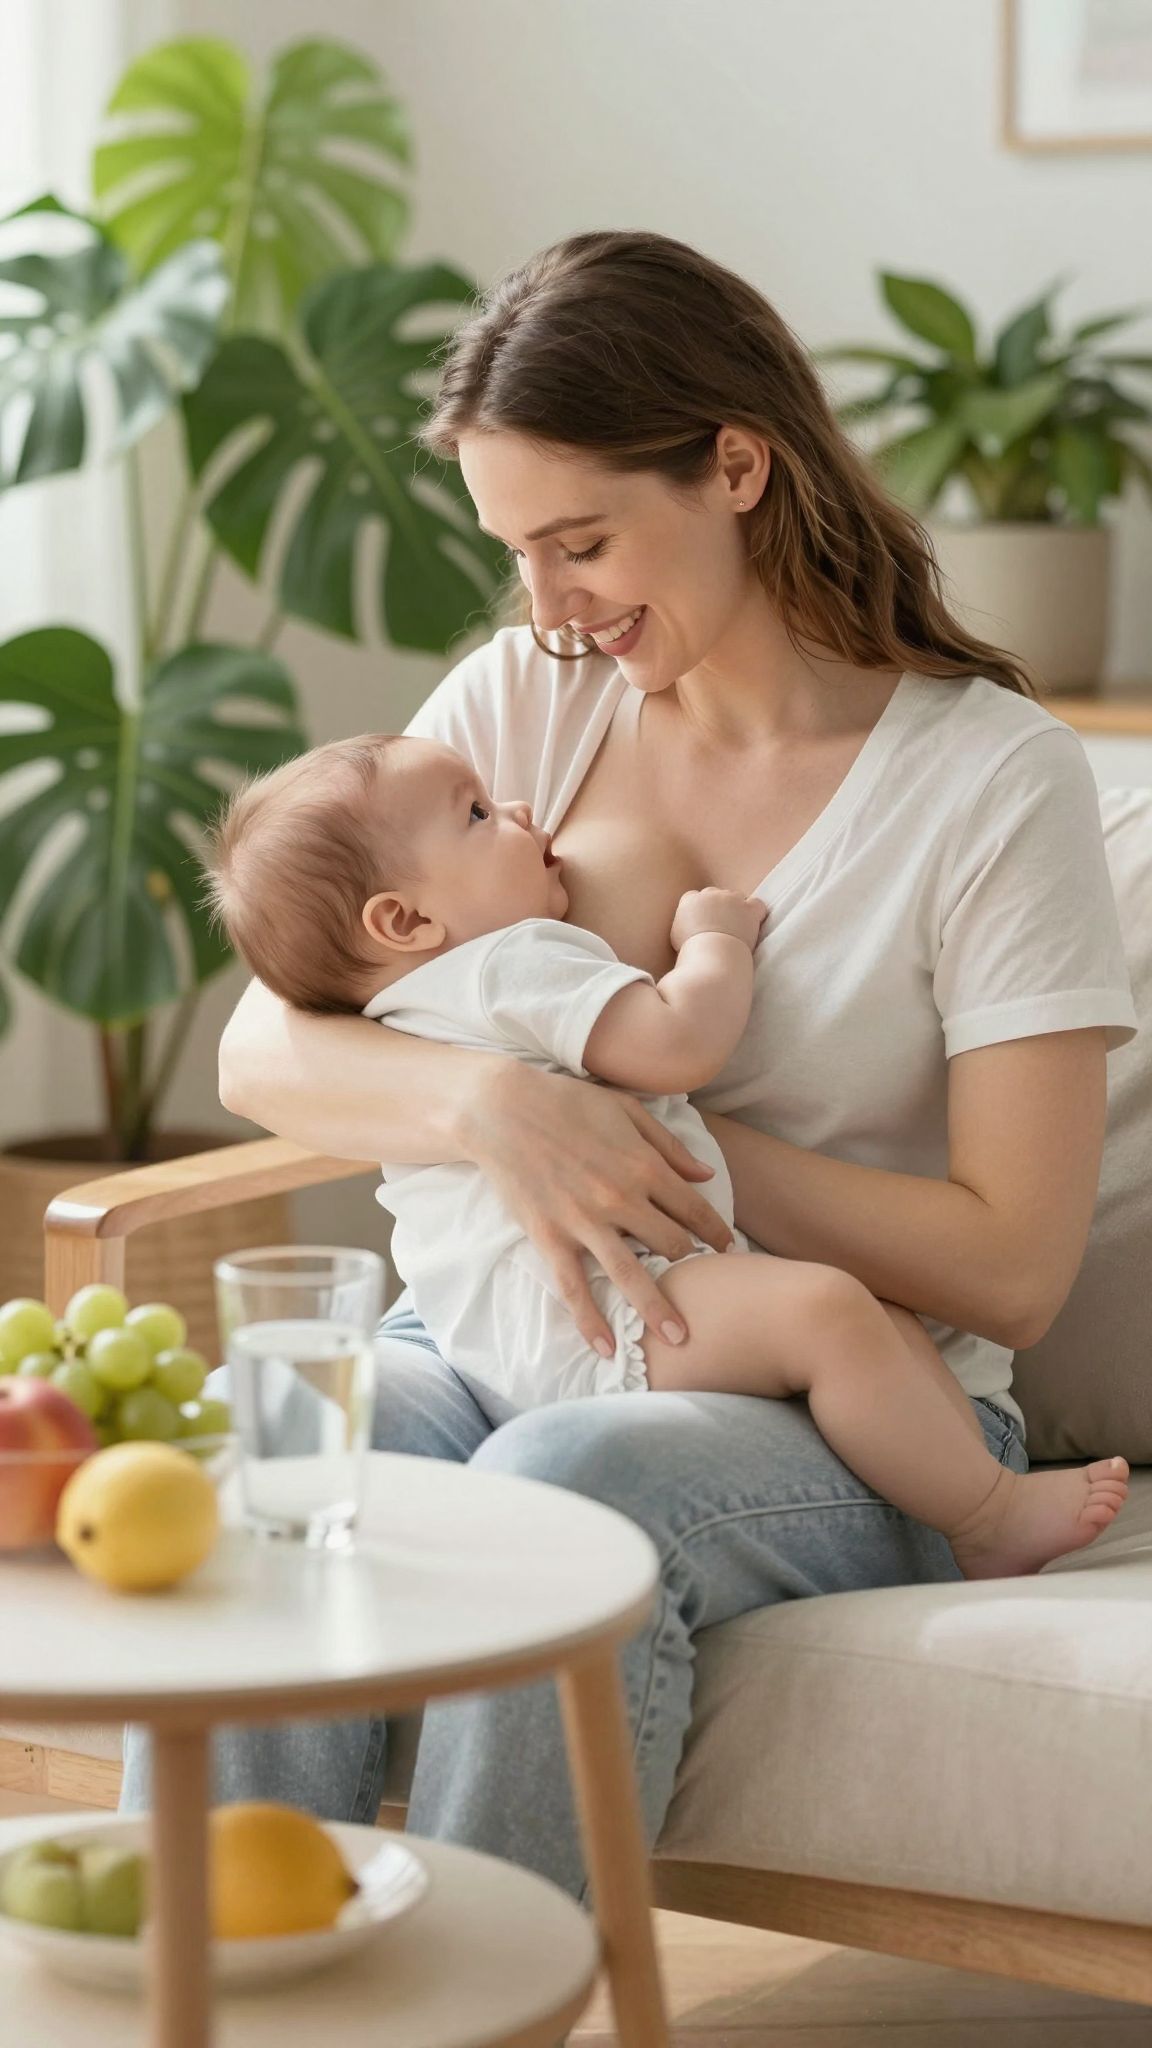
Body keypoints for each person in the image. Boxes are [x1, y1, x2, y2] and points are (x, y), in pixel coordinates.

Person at [120, 229, 1137, 1900]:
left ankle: (489, 2007)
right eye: (517, 551)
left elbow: (1013, 1266)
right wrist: (499, 1105)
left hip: (836, 1394)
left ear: (736, 462)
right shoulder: (531, 700)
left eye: (579, 542)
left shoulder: (988, 778)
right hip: (498, 1324)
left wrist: (671, 1155)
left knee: (571, 1485)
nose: (549, 607)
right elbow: (264, 1035)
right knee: (273, 1431)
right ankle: (256, 1977)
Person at [202, 728, 1128, 1581]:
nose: (523, 811)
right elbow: (678, 1045)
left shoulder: (402, 1005)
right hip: (606, 1308)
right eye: (480, 815)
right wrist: (715, 945)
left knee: (268, 1430)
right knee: (832, 1310)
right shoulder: (511, 961)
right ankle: (986, 1512)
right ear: (403, 923)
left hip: (506, 1324)